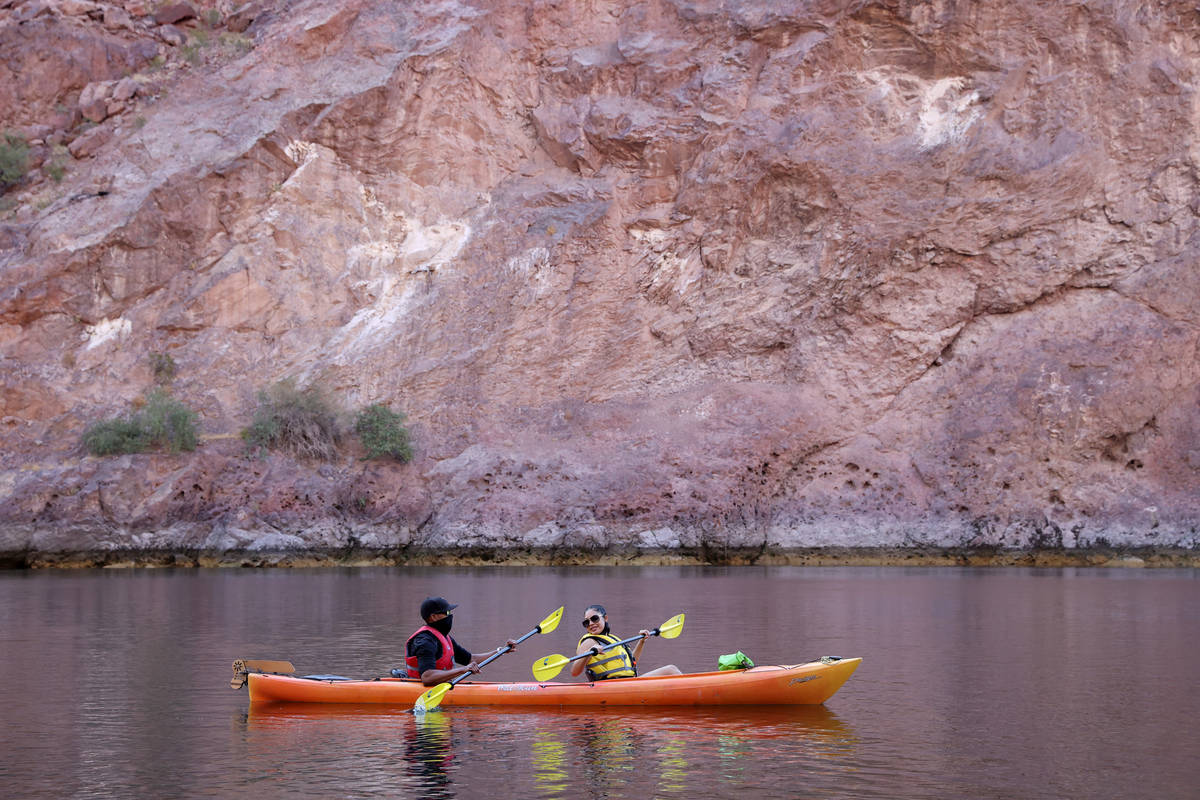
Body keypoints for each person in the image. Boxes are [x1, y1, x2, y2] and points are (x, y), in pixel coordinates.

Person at [403, 596, 518, 686]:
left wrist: (501, 651)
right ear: (433, 617)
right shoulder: (425, 641)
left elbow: (471, 659)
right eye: (447, 612)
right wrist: (463, 669)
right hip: (419, 689)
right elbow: (427, 678)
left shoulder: (444, 638)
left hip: (441, 686)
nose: (450, 615)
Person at [570, 605, 682, 681]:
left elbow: (632, 663)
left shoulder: (613, 639)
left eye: (594, 619)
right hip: (608, 687)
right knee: (671, 670)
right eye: (586, 622)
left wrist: (642, 641)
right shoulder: (588, 642)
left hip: (627, 682)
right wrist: (589, 653)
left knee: (671, 669)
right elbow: (575, 672)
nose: (591, 623)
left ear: (606, 618)